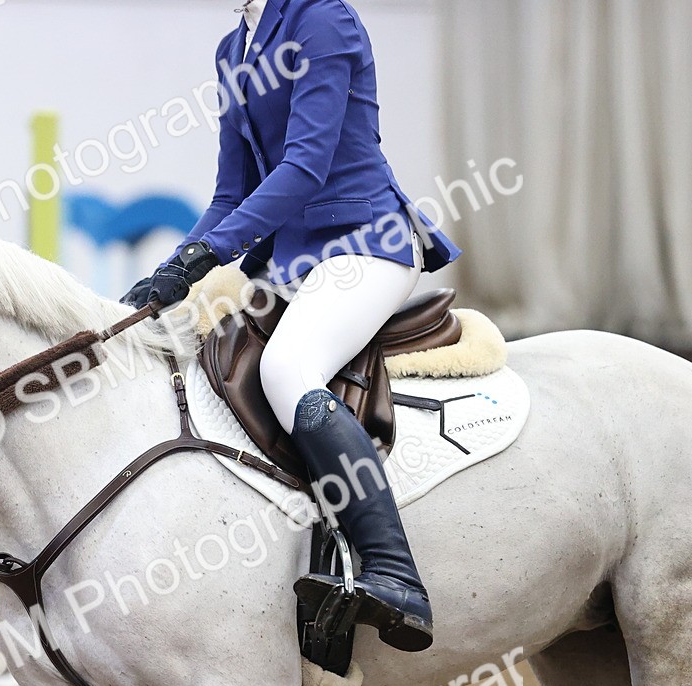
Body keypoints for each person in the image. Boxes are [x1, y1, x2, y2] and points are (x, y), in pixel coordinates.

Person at [124, 0, 460, 652]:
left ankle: (393, 570)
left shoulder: (322, 18)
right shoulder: (233, 48)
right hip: (291, 260)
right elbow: (231, 193)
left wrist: (209, 254)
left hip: (366, 242)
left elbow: (305, 166)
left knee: (287, 369)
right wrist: (173, 273)